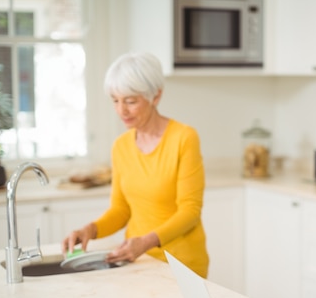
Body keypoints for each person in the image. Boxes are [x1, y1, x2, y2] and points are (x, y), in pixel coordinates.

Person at [62, 52, 209, 277]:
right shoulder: (121, 146)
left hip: (182, 265)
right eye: (115, 100)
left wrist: (145, 242)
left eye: (131, 101)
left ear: (155, 96)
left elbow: (190, 211)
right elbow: (121, 210)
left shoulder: (184, 138)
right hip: (139, 262)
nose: (122, 110)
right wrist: (90, 230)